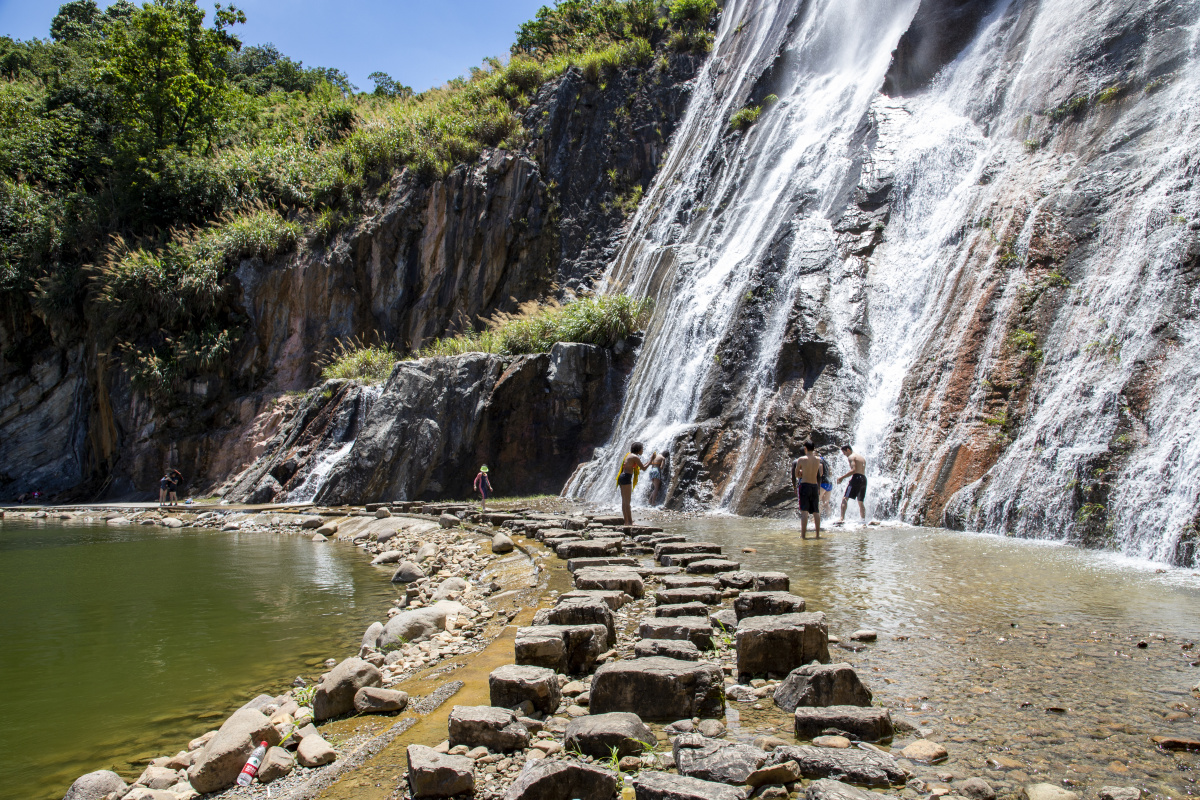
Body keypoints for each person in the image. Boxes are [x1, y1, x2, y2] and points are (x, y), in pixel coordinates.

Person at [789, 440, 823, 539]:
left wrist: (800, 472)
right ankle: (817, 535)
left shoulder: (801, 459)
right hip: (814, 486)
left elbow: (796, 475)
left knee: (804, 511)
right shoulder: (817, 459)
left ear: (805, 448)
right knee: (816, 511)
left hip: (804, 485)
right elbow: (818, 473)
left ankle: (803, 536)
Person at [616, 442, 654, 526]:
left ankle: (626, 522)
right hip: (626, 478)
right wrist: (651, 460)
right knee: (627, 502)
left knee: (624, 502)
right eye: (642, 449)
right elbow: (643, 468)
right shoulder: (635, 457)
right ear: (638, 449)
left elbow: (641, 467)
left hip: (622, 477)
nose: (642, 450)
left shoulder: (629, 455)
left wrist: (649, 461)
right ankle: (630, 522)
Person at [836, 444, 868, 525]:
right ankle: (863, 520)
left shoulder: (851, 457)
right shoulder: (861, 457)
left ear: (848, 450)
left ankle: (842, 518)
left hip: (856, 478)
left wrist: (841, 477)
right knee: (860, 501)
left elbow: (853, 470)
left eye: (844, 452)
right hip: (863, 478)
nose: (844, 455)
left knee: (845, 498)